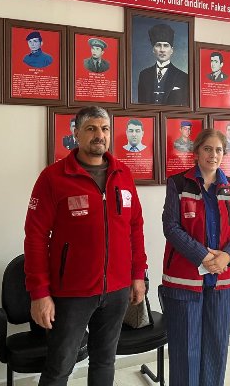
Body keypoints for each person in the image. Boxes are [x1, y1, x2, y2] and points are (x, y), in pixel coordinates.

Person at [24, 106, 147, 386]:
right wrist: (39, 293)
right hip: (71, 293)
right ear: (76, 133)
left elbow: (135, 227)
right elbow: (35, 236)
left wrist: (138, 275)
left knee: (105, 361)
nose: (99, 135)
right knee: (59, 367)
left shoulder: (123, 174)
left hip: (116, 290)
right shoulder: (53, 177)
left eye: (104, 129)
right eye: (91, 128)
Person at [160, 128, 230, 386]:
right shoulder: (178, 183)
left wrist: (227, 256)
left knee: (216, 348)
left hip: (222, 280)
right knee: (185, 351)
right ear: (196, 152)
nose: (213, 154)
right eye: (207, 149)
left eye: (218, 150)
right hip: (185, 280)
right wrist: (203, 256)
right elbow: (171, 227)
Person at [137, 23, 189, 106]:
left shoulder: (183, 77)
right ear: (153, 50)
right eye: (158, 45)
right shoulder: (144, 75)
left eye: (166, 46)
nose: (162, 50)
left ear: (171, 50)